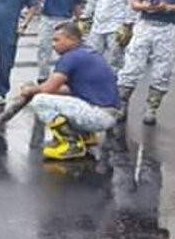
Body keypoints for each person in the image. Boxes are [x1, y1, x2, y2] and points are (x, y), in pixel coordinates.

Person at [21, 22, 120, 161]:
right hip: (108, 115)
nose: (53, 44)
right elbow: (67, 89)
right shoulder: (87, 52)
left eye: (57, 40)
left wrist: (29, 90)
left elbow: (48, 88)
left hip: (98, 116)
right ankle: (86, 137)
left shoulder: (71, 57)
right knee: (59, 100)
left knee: (40, 101)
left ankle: (72, 145)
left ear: (72, 40)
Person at [29, 0, 83, 82]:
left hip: (66, 20)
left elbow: (77, 4)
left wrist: (80, 21)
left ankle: (62, 77)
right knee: (44, 48)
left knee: (66, 51)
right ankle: (43, 77)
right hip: (48, 19)